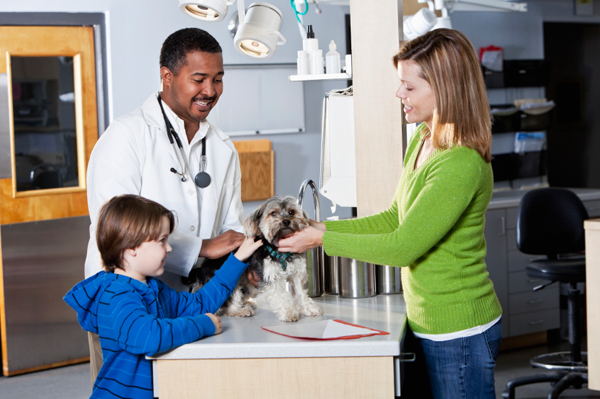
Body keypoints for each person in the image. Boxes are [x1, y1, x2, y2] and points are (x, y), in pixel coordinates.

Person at [278, 28, 502, 399]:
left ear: (444, 88)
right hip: (430, 320)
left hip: (459, 329)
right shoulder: (423, 139)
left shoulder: (460, 163)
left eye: (409, 87)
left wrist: (320, 240)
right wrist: (320, 225)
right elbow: (395, 218)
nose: (400, 94)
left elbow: (402, 247)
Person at [84, 28, 249, 384]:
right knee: (128, 388)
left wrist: (242, 259)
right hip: (127, 301)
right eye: (199, 79)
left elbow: (230, 227)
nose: (211, 91)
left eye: (218, 79)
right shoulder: (126, 135)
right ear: (167, 76)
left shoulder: (222, 147)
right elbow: (113, 230)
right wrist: (201, 247)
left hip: (190, 301)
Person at [65, 195, 262, 399]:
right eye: (162, 241)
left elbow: (198, 304)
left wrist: (238, 259)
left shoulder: (152, 287)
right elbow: (149, 337)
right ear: (131, 248)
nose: (169, 248)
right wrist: (203, 325)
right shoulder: (117, 295)